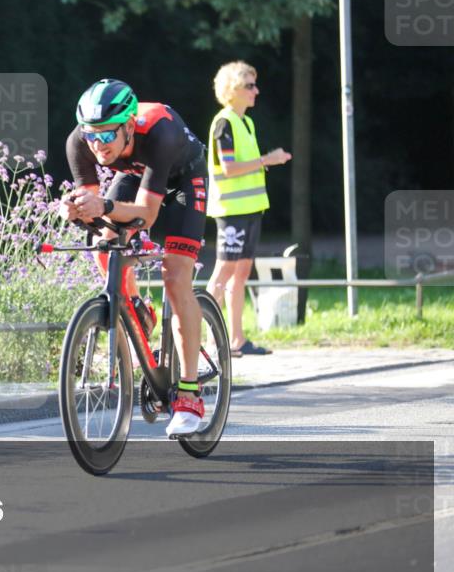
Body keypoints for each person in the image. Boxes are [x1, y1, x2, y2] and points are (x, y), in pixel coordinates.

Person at [60, 78, 209, 436]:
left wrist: (105, 205)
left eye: (107, 135)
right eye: (91, 134)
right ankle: (137, 309)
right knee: (104, 243)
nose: (97, 144)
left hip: (185, 182)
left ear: (129, 126)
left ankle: (190, 394)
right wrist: (77, 209)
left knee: (175, 279)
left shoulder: (160, 132)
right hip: (136, 178)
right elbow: (95, 210)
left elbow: (148, 213)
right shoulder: (79, 142)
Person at [204, 61, 291, 357]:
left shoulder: (246, 122)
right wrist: (269, 159)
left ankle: (236, 340)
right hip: (231, 210)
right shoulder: (224, 123)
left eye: (255, 84)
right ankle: (208, 342)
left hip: (251, 209)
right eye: (249, 85)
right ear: (232, 90)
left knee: (241, 273)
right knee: (223, 272)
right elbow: (228, 168)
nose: (256, 90)